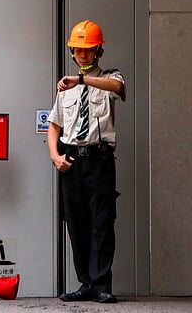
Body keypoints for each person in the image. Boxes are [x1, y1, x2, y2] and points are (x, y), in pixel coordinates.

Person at [47, 20, 126, 304]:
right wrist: (55, 157)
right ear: (72, 51)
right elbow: (54, 126)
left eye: (88, 50)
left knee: (102, 222)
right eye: (78, 50)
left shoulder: (108, 77)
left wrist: (81, 79)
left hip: (99, 159)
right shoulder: (65, 88)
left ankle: (102, 284)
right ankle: (86, 283)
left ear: (99, 52)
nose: (83, 55)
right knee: (77, 223)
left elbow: (117, 87)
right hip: (71, 159)